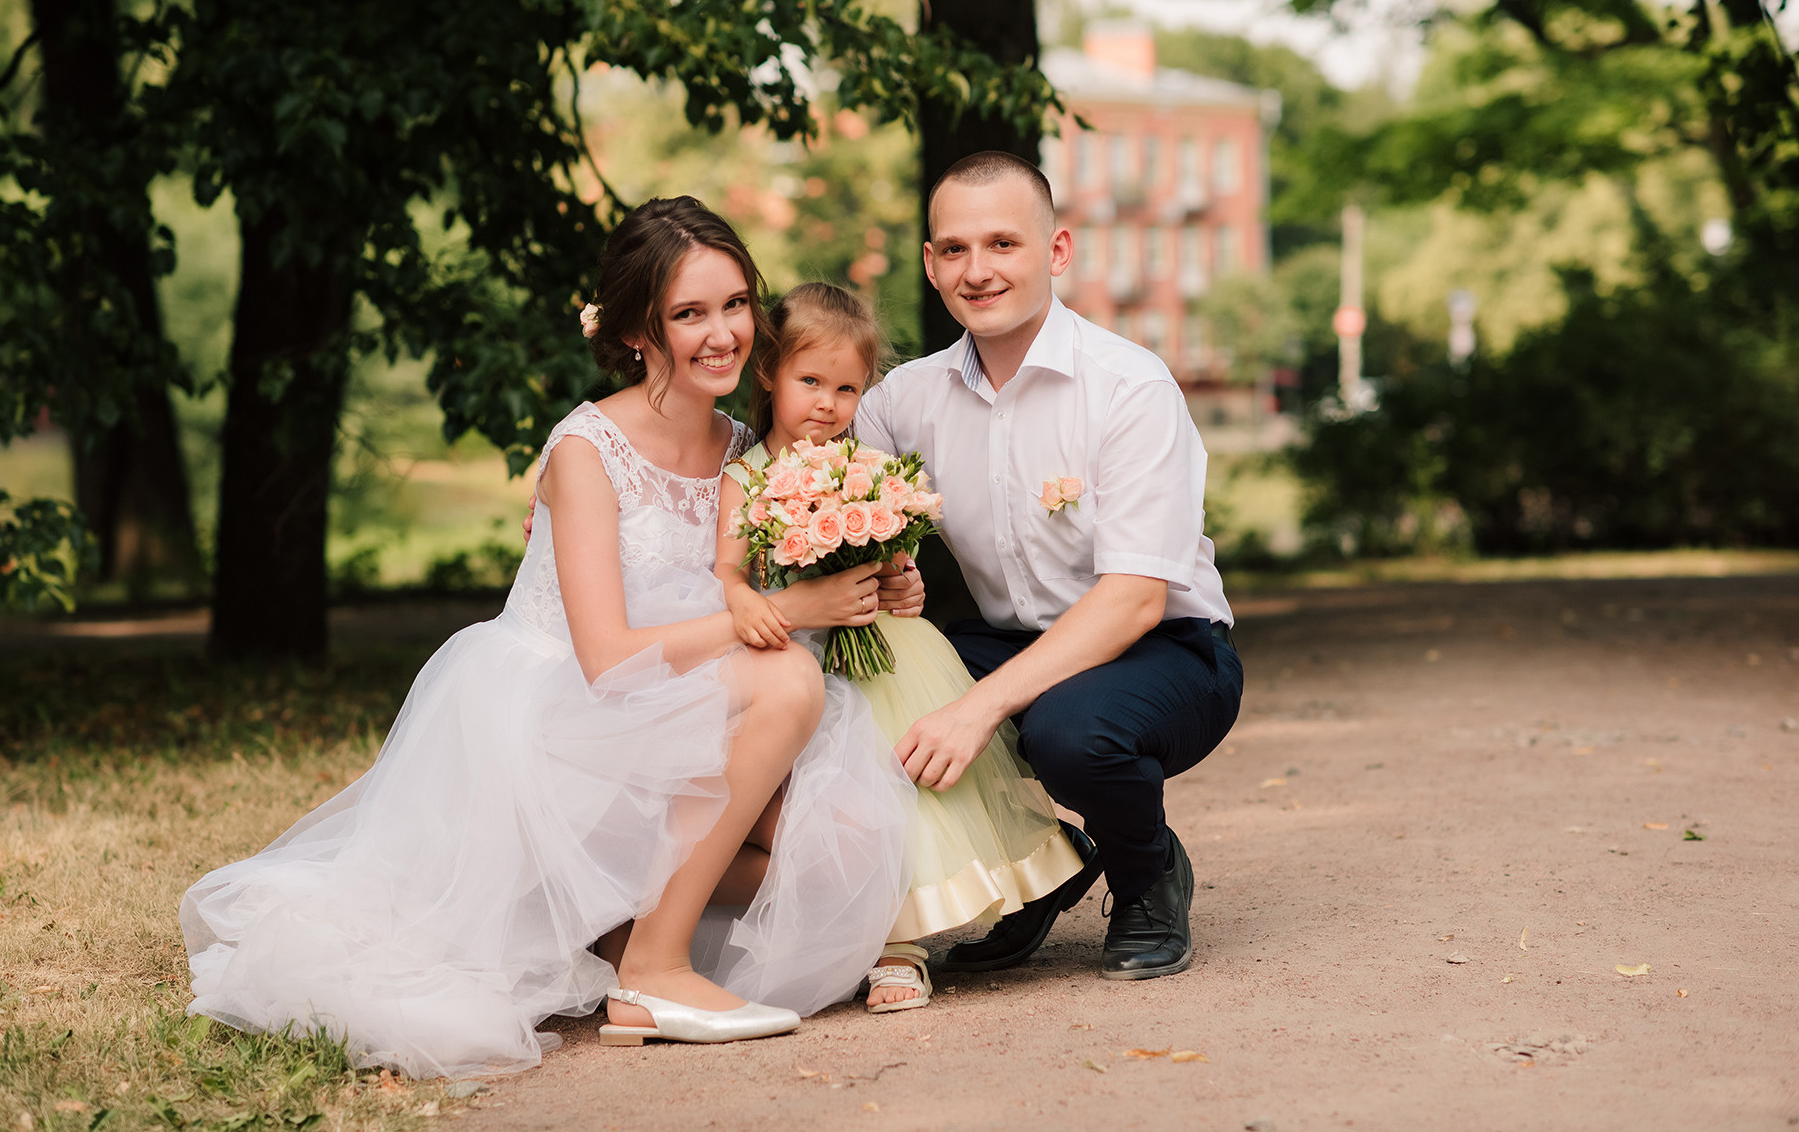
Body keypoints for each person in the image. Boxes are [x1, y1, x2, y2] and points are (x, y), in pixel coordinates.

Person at [180, 197, 911, 1077]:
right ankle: (653, 969)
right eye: (689, 314)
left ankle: (613, 922)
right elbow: (607, 657)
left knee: (847, 842)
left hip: (684, 710)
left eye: (734, 304)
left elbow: (782, 576)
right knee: (789, 680)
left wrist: (878, 572)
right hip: (564, 718)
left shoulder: (749, 449)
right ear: (639, 329)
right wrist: (794, 613)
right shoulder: (585, 449)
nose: (722, 333)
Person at [854, 151, 1243, 981]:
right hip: (1012, 638)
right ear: (929, 264)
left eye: (1003, 243)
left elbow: (1137, 598)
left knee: (1069, 731)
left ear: (1057, 251)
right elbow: (836, 507)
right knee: (871, 689)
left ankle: (1148, 873)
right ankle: (1037, 865)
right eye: (953, 249)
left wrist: (977, 707)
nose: (977, 269)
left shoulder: (1129, 387)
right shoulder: (900, 402)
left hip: (1166, 650)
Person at [713, 283, 1086, 1012]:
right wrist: (742, 598)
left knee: (901, 785)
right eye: (809, 380)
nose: (827, 402)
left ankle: (902, 948)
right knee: (837, 804)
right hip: (793, 659)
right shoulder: (745, 476)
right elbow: (729, 569)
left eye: (847, 387)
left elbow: (896, 560)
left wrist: (902, 581)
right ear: (769, 373)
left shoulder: (867, 466)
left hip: (881, 655)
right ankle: (851, 931)